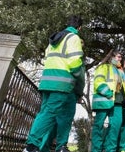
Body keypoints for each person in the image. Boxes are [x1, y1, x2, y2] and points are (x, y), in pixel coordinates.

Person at [23, 15, 85, 152]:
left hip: (47, 81)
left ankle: (33, 144)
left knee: (44, 113)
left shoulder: (55, 39)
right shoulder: (73, 38)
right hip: (61, 83)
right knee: (50, 114)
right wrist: (77, 74)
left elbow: (47, 57)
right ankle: (31, 145)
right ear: (79, 27)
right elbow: (74, 62)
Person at [91, 49, 125, 152]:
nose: (120, 59)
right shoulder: (103, 67)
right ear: (111, 57)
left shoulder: (120, 71)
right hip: (103, 100)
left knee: (116, 126)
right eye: (118, 57)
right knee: (98, 126)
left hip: (117, 102)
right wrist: (108, 93)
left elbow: (123, 88)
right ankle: (96, 149)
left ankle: (110, 149)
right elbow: (98, 82)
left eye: (121, 57)